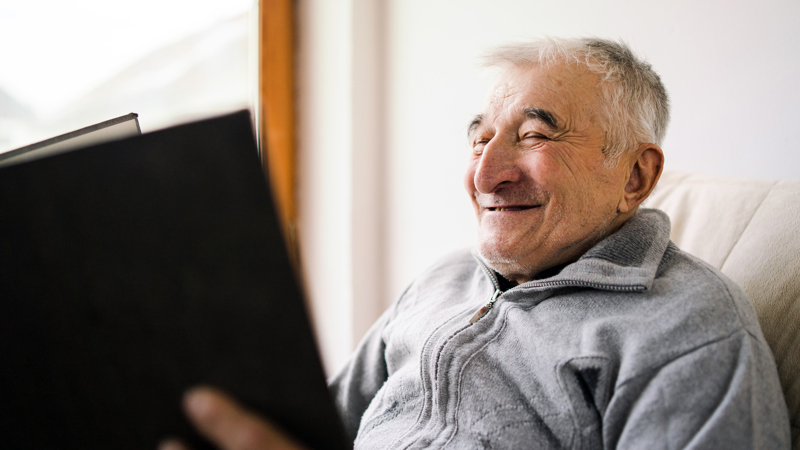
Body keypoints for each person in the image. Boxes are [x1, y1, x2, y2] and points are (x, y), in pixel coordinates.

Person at [161, 37, 791, 449]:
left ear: (634, 176)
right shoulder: (442, 281)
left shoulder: (689, 328)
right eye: (480, 139)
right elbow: (318, 429)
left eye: (536, 136)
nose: (487, 176)